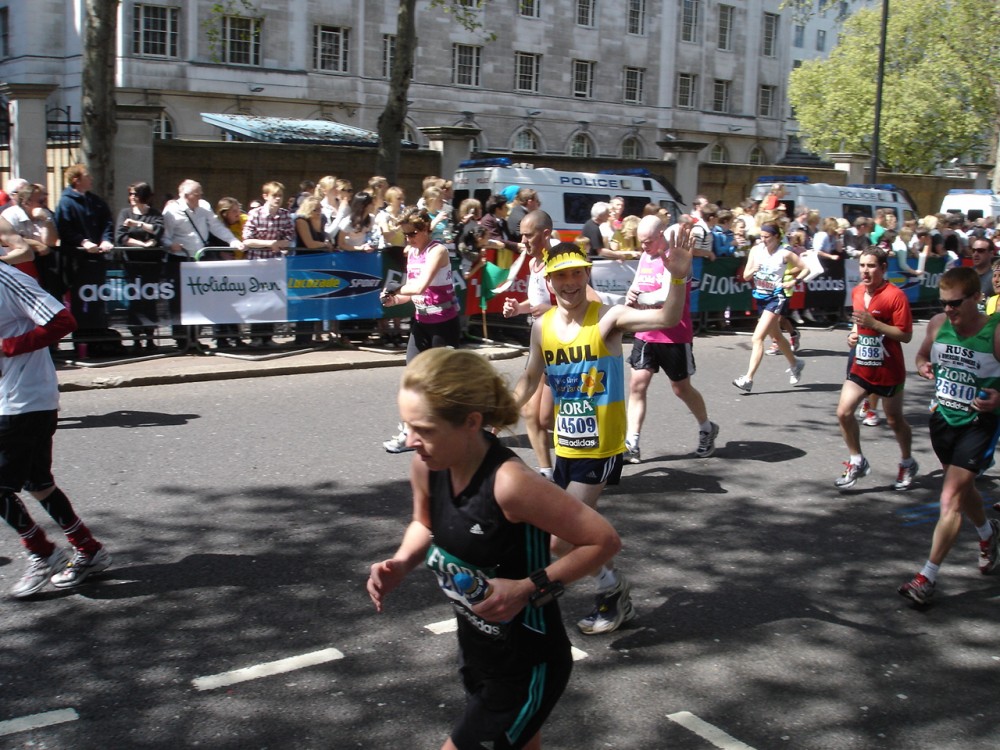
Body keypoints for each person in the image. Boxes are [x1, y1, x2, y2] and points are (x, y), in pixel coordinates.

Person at [367, 348, 620, 750]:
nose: (410, 440)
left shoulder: (510, 484)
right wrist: (401, 562)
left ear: (470, 422)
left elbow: (603, 540)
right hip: (478, 652)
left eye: (424, 429)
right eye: (406, 425)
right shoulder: (427, 465)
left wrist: (526, 588)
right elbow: (424, 522)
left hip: (527, 663)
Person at [512, 230, 693, 635]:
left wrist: (679, 279)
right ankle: (613, 588)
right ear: (549, 282)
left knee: (560, 540)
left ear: (586, 275)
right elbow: (528, 378)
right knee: (574, 533)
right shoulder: (542, 328)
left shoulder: (608, 318)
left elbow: (666, 318)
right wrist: (497, 413)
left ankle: (611, 592)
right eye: (561, 277)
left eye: (577, 274)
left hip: (602, 445)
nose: (570, 284)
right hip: (567, 445)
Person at [0, 247, 112, 598]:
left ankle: (42, 552)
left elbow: (63, 321)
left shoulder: (7, 279)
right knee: (38, 483)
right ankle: (88, 549)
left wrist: (7, 347)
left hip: (24, 399)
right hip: (11, 399)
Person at [899, 267, 1000, 605]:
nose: (949, 310)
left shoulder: (995, 332)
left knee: (950, 498)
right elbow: (922, 354)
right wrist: (923, 364)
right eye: (944, 303)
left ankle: (927, 577)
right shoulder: (939, 325)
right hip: (943, 419)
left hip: (979, 424)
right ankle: (988, 533)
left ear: (976, 298)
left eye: (956, 303)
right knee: (962, 489)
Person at [624, 216, 719, 463]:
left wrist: (640, 298)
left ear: (661, 234)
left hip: (674, 333)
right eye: (641, 242)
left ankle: (707, 428)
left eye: (648, 241)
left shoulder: (676, 257)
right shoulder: (646, 256)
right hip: (645, 330)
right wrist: (630, 295)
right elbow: (637, 286)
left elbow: (664, 296)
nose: (643, 246)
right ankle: (631, 442)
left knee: (681, 388)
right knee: (637, 385)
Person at [834, 247, 918, 490]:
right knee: (843, 412)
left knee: (895, 420)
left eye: (871, 266)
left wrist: (876, 324)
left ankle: (907, 461)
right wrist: (852, 335)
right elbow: (857, 324)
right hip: (861, 366)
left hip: (888, 369)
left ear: (883, 268)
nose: (865, 271)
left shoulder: (896, 296)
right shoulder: (858, 291)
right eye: (862, 266)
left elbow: (906, 335)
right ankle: (857, 460)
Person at [380, 208, 460, 453]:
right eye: (404, 234)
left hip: (443, 325)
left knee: (441, 385)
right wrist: (394, 300)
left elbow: (421, 284)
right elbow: (412, 292)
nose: (408, 239)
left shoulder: (438, 251)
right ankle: (409, 434)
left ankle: (461, 431)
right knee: (412, 381)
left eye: (412, 233)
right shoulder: (411, 251)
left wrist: (395, 290)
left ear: (426, 229)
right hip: (421, 322)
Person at [501, 210, 561, 480]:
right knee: (529, 411)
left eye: (528, 235)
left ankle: (599, 446)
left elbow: (579, 303)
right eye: (521, 235)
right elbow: (535, 303)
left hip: (562, 345)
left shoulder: (558, 262)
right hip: (540, 343)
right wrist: (518, 308)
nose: (522, 241)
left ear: (545, 234)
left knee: (547, 418)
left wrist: (546, 308)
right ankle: (546, 472)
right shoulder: (534, 261)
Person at [732, 223, 809, 392]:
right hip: (761, 297)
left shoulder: (785, 252)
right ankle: (796, 363)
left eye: (767, 237)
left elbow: (805, 269)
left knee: (757, 338)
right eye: (761, 236)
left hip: (776, 297)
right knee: (778, 336)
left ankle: (748, 379)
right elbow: (745, 276)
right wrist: (753, 269)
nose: (763, 240)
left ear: (776, 237)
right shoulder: (756, 250)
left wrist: (792, 281)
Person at [115, 181, 165, 351]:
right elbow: (121, 236)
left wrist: (138, 224)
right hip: (132, 264)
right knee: (134, 300)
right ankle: (136, 338)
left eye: (135, 194)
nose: (132, 198)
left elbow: (158, 230)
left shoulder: (154, 214)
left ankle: (150, 337)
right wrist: (141, 244)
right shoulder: (125, 213)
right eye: (130, 194)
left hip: (151, 264)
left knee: (149, 299)